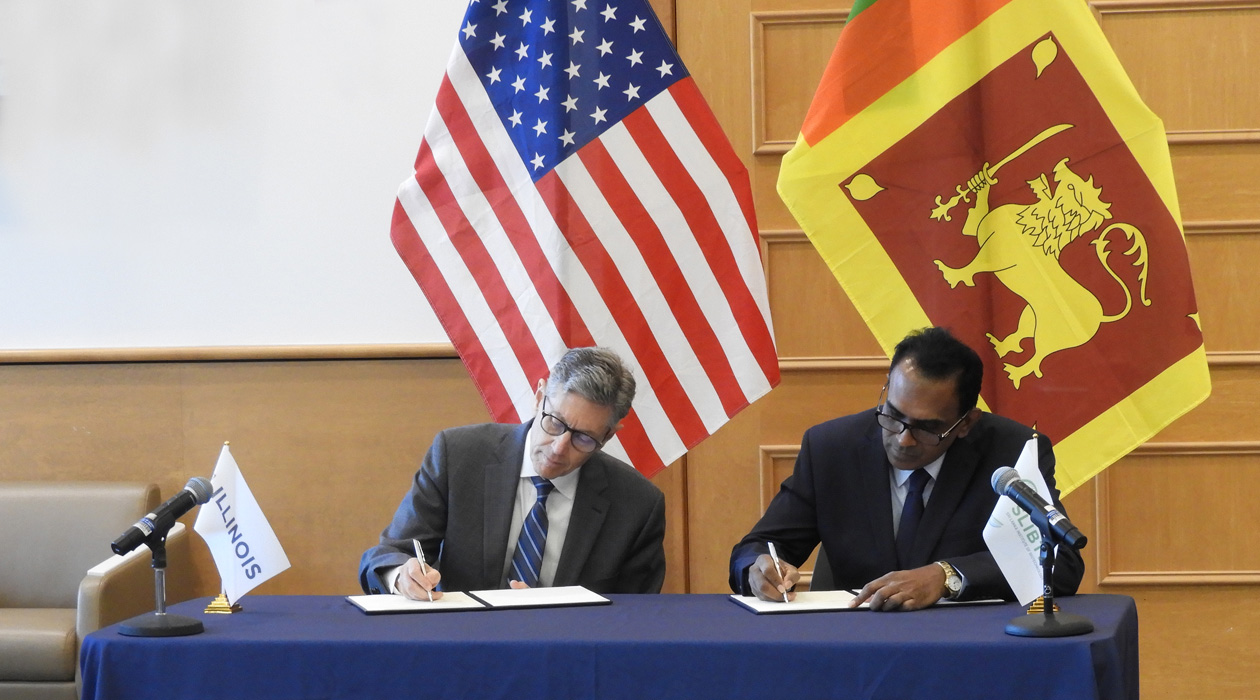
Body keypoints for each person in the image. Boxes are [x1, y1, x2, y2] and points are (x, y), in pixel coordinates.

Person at [729, 327, 1084, 610]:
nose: (903, 439)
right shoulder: (831, 449)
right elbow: (758, 547)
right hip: (857, 643)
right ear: (886, 390)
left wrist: (947, 577)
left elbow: (1061, 562)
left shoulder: (1012, 452)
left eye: (927, 428)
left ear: (965, 423)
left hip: (968, 646)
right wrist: (758, 568)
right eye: (893, 415)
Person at [360, 347, 666, 599]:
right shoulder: (458, 456)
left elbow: (635, 616)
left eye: (583, 438)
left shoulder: (637, 504)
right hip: (462, 641)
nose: (559, 447)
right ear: (539, 397)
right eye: (554, 422)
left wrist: (555, 615)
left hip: (567, 649)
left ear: (608, 436)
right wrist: (402, 576)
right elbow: (388, 553)